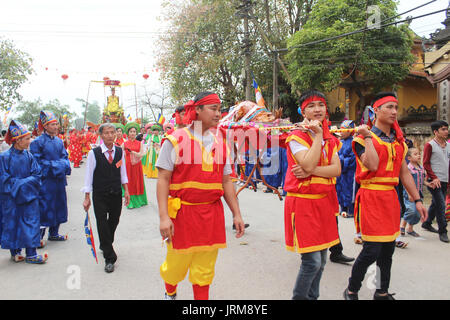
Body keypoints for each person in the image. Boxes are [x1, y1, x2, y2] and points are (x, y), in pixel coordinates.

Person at [156, 91, 246, 300]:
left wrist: (237, 214)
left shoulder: (220, 143)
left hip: (212, 214)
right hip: (183, 214)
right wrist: (163, 217)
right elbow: (163, 179)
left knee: (204, 270)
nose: (218, 113)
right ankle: (170, 292)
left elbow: (226, 182)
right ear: (197, 110)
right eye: (213, 109)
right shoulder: (175, 139)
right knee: (175, 266)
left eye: (219, 108)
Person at [343, 92, 427, 300]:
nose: (394, 112)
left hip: (390, 198)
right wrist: (369, 137)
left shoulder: (399, 142)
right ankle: (352, 289)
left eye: (396, 107)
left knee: (388, 250)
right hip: (371, 197)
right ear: (376, 110)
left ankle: (381, 292)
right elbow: (371, 165)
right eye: (389, 107)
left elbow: (404, 173)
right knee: (371, 250)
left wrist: (417, 200)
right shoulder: (361, 138)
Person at [284, 90, 341, 300]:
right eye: (311, 106)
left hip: (324, 203)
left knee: (323, 261)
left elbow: (336, 170)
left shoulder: (331, 139)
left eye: (321, 105)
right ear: (302, 111)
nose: (317, 109)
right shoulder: (295, 136)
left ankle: (312, 297)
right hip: (303, 203)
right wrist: (318, 136)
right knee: (312, 262)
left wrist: (311, 170)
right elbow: (306, 163)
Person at [82, 123, 130, 273]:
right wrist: (87, 197)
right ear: (101, 135)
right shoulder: (94, 153)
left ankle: (105, 244)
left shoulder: (119, 152)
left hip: (116, 193)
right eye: (107, 133)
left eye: (112, 132)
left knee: (114, 221)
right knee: (102, 223)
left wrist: (126, 191)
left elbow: (122, 172)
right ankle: (110, 258)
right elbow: (88, 176)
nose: (110, 135)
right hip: (100, 194)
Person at [0, 120, 47, 264]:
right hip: (11, 198)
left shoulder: (29, 156)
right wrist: (25, 183)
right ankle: (15, 252)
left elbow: (37, 175)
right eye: (27, 139)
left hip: (30, 197)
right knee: (13, 224)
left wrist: (22, 183)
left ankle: (31, 253)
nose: (29, 141)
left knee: (32, 223)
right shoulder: (4, 157)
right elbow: (4, 180)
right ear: (17, 140)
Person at [30, 111, 71, 246]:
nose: (55, 127)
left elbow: (65, 158)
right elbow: (37, 163)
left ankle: (54, 233)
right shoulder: (37, 142)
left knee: (59, 205)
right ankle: (39, 237)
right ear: (45, 126)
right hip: (46, 181)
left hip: (58, 180)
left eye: (56, 124)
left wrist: (62, 165)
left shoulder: (59, 141)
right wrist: (56, 165)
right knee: (45, 207)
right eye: (52, 124)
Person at [421, 120, 449, 243]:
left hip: (445, 179)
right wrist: (434, 177)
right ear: (435, 132)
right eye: (443, 129)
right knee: (441, 205)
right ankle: (443, 231)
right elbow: (426, 163)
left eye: (446, 129)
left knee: (436, 203)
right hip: (434, 181)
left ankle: (427, 223)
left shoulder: (448, 145)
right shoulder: (430, 145)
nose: (446, 131)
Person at [400, 147, 428, 237]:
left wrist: (428, 184)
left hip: (419, 194)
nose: (418, 156)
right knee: (411, 210)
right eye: (415, 154)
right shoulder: (408, 168)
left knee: (417, 213)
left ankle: (410, 228)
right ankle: (402, 226)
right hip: (409, 194)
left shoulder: (421, 168)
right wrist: (409, 193)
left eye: (419, 154)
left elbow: (422, 180)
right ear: (409, 158)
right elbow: (405, 182)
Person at [124, 122, 148, 209]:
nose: (133, 133)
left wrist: (134, 153)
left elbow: (142, 154)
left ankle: (141, 200)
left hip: (137, 166)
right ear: (128, 133)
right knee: (130, 182)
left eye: (134, 131)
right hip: (128, 166)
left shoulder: (140, 143)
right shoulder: (125, 144)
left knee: (138, 182)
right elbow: (120, 155)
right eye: (131, 132)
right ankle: (130, 202)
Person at [336, 120, 357, 218]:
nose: (340, 132)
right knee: (340, 188)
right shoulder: (339, 142)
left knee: (349, 189)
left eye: (343, 130)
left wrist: (341, 160)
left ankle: (350, 209)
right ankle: (343, 208)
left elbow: (352, 158)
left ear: (349, 131)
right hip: (340, 171)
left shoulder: (353, 143)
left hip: (349, 172)